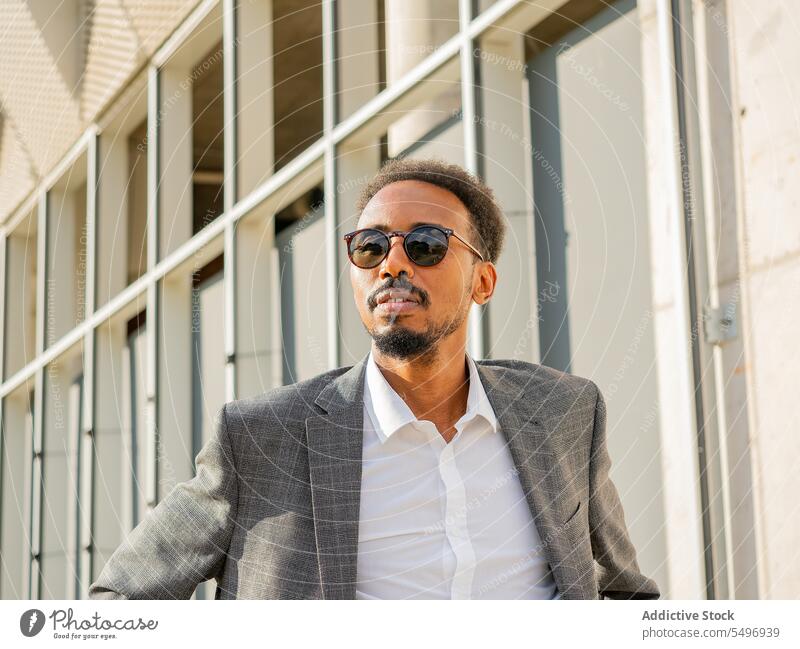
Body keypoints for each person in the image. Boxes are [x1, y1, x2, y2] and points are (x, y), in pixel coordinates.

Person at [89, 158, 660, 600]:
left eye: (425, 245)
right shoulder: (263, 438)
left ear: (483, 282)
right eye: (370, 247)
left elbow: (623, 593)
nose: (392, 265)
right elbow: (121, 600)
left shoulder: (563, 413)